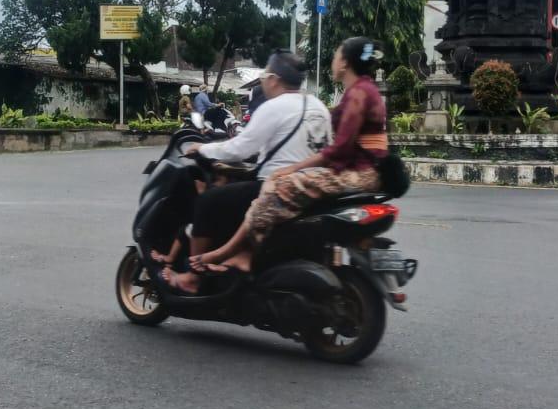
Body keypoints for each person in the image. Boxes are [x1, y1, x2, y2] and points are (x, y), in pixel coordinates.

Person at [194, 37, 388, 275]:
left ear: (345, 63)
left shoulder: (358, 93)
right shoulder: (353, 93)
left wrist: (293, 168)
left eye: (337, 55)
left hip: (358, 174)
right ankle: (246, 252)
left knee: (277, 186)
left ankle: (234, 254)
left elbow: (339, 149)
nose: (333, 60)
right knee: (278, 183)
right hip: (361, 171)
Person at [156, 51, 330, 292]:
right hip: (311, 186)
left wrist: (202, 149)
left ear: (274, 79)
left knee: (207, 201)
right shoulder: (319, 106)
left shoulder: (274, 107)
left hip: (275, 188)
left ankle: (193, 278)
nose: (263, 81)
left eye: (264, 76)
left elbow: (241, 148)